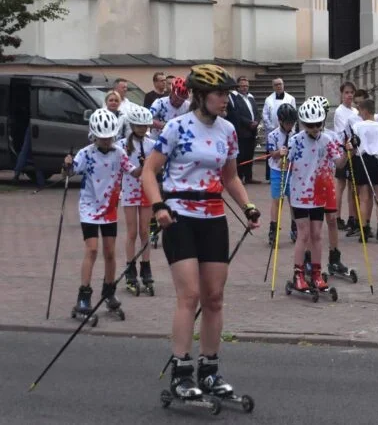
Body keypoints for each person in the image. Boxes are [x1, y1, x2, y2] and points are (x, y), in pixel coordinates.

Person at [141, 64, 261, 402]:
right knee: (189, 294)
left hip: (213, 217)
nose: (226, 100)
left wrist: (248, 206)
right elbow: (149, 172)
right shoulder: (177, 128)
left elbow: (231, 177)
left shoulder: (228, 130)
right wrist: (159, 207)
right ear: (201, 95)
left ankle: (209, 370)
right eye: (220, 94)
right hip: (179, 217)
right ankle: (181, 371)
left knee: (214, 297)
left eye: (227, 94)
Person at [64, 109, 134, 321]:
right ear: (93, 135)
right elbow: (70, 172)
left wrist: (152, 166)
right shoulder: (86, 153)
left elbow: (134, 171)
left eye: (109, 137)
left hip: (109, 207)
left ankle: (109, 292)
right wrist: (66, 165)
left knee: (110, 253)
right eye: (102, 138)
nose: (106, 141)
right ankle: (84, 295)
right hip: (89, 207)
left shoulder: (119, 153)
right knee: (92, 249)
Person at [286, 99, 346, 294]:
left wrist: (348, 149)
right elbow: (285, 164)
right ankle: (298, 274)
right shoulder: (295, 140)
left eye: (318, 124)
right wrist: (280, 155)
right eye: (310, 125)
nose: (314, 128)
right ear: (303, 124)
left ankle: (317, 273)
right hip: (300, 194)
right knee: (303, 234)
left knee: (317, 235)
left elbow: (339, 164)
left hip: (318, 193)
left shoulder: (327, 140)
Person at [120, 105, 157, 295]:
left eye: (145, 125)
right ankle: (130, 269)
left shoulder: (152, 144)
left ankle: (146, 267)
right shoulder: (123, 145)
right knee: (132, 232)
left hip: (146, 190)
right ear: (132, 125)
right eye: (138, 125)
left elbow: (157, 167)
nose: (142, 129)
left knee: (145, 231)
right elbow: (127, 169)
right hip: (129, 189)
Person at [352, 98, 378, 243]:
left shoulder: (357, 126)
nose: (360, 114)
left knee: (364, 197)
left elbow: (354, 145)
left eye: (361, 111)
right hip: (377, 160)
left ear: (365, 110)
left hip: (363, 160)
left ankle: (364, 228)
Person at [266, 104, 298, 247]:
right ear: (280, 121)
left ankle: (295, 227)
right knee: (277, 201)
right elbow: (272, 154)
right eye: (287, 122)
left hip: (291, 171)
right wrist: (280, 153)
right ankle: (273, 229)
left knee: (293, 200)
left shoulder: (295, 134)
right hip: (277, 171)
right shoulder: (272, 135)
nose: (290, 125)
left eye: (292, 122)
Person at [333, 82, 360, 237]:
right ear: (342, 94)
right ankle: (337, 216)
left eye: (351, 93)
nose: (349, 95)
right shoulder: (339, 112)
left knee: (352, 186)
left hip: (354, 151)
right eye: (347, 93)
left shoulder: (355, 111)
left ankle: (351, 216)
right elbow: (343, 132)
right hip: (343, 151)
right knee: (341, 185)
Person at [261, 78, 296, 182]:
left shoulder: (290, 98)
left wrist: (291, 129)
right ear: (273, 86)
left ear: (283, 85)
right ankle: (271, 176)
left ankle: (288, 172)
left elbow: (293, 113)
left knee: (287, 152)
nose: (279, 86)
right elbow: (265, 114)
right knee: (274, 154)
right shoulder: (268, 99)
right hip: (274, 130)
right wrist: (272, 127)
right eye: (276, 85)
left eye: (280, 84)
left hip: (288, 130)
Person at [227, 77, 258, 184]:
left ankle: (249, 177)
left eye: (246, 86)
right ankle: (239, 177)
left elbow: (256, 111)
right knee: (241, 155)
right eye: (243, 86)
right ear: (238, 86)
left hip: (252, 131)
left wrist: (257, 121)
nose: (245, 88)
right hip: (242, 131)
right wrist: (249, 123)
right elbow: (237, 114)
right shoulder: (234, 98)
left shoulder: (251, 97)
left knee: (250, 155)